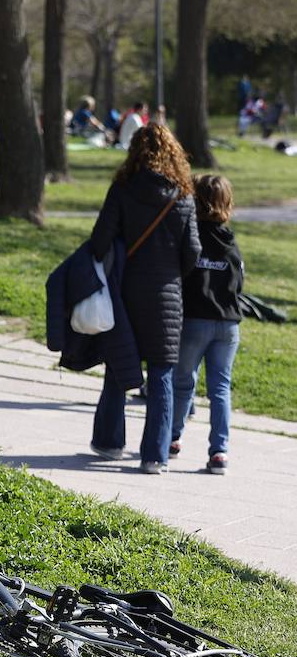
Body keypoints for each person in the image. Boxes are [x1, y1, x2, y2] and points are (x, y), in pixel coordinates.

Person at [88, 123, 202, 473]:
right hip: (167, 296)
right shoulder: (182, 196)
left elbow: (99, 242)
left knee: (118, 367)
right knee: (162, 374)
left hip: (126, 293)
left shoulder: (122, 190)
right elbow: (193, 251)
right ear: (173, 154)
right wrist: (172, 276)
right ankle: (155, 455)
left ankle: (109, 442)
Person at [171, 175, 243, 477]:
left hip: (194, 321)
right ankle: (219, 452)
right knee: (220, 389)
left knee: (182, 383)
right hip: (227, 326)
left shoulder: (191, 236)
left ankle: (171, 437)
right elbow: (238, 284)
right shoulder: (231, 242)